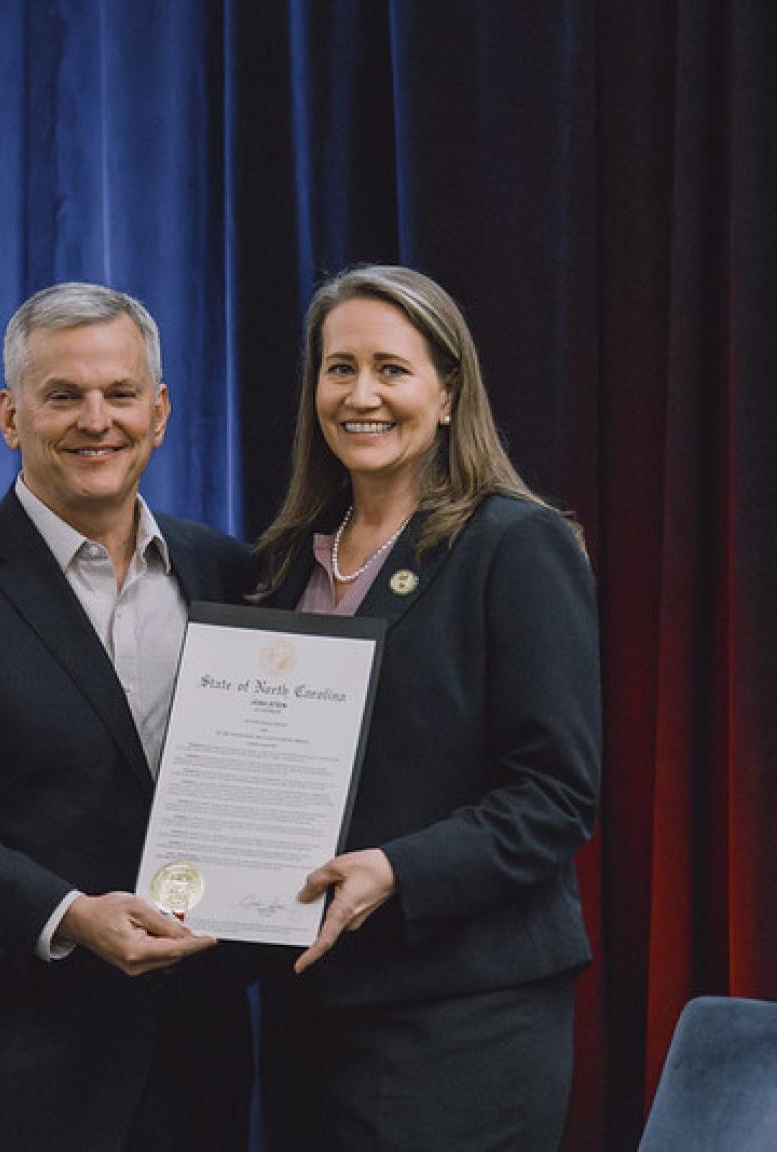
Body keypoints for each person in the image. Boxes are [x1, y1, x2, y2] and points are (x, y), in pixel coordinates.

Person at [0, 282, 254, 1152]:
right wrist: (70, 914)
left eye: (119, 394)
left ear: (161, 411)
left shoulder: (229, 572)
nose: (94, 420)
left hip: (187, 1055)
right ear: (10, 415)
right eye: (62, 395)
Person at [253, 264, 602, 1150]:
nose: (360, 395)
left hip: (463, 1015)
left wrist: (398, 870)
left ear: (448, 394)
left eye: (391, 369)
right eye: (339, 369)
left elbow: (556, 795)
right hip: (310, 1006)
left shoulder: (515, 545)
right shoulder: (290, 558)